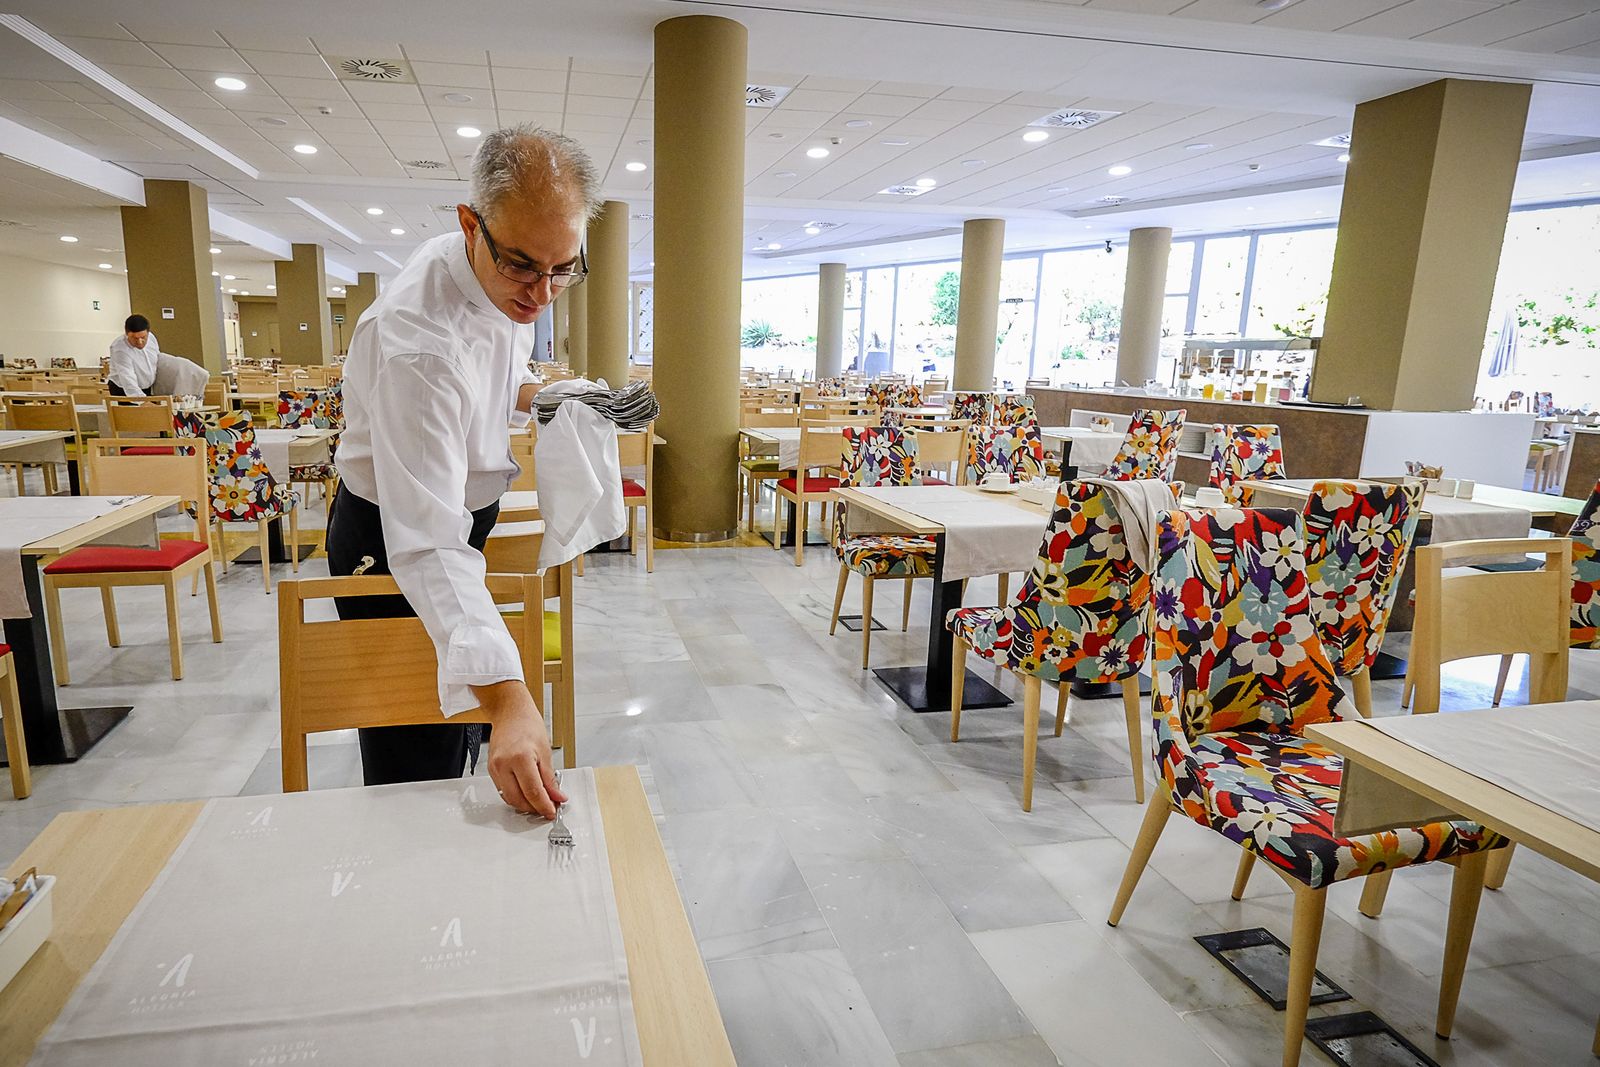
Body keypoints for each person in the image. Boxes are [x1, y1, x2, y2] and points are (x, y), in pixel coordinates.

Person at [329, 124, 598, 818]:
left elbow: (496, 371)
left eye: (562, 268)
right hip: (388, 538)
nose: (541, 295)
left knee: (469, 724)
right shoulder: (415, 345)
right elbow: (427, 544)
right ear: (469, 224)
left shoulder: (490, 269)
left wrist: (550, 394)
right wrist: (511, 698)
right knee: (412, 758)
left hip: (458, 519)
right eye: (523, 266)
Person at [107, 314, 160, 396]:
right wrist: (142, 401)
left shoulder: (151, 338)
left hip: (146, 387)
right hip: (123, 390)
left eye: (143, 337)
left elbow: (158, 360)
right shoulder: (119, 349)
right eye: (135, 338)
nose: (140, 342)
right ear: (126, 334)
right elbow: (127, 377)